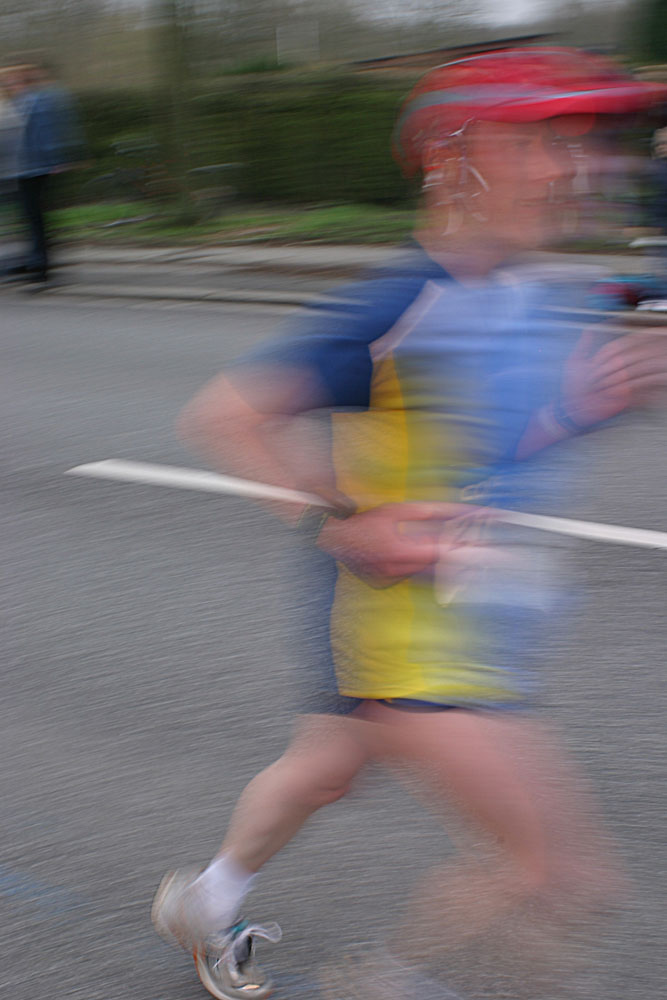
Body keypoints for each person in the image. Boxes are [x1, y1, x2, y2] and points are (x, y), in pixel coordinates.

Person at [151, 47, 667, 1000]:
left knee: (327, 766)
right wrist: (354, 524)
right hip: (406, 619)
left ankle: (208, 900)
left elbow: (486, 455)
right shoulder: (400, 300)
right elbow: (226, 418)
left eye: (580, 145)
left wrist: (581, 409)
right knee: (549, 872)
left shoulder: (522, 290)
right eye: (541, 144)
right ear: (456, 158)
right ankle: (383, 980)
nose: (573, 169)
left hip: (461, 612)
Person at [4, 60, 82, 284]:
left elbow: (44, 134)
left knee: (34, 218)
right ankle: (32, 262)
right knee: (29, 217)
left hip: (33, 167)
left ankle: (39, 267)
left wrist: (54, 160)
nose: (8, 84)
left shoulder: (36, 101)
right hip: (24, 168)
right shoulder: (22, 101)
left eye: (11, 80)